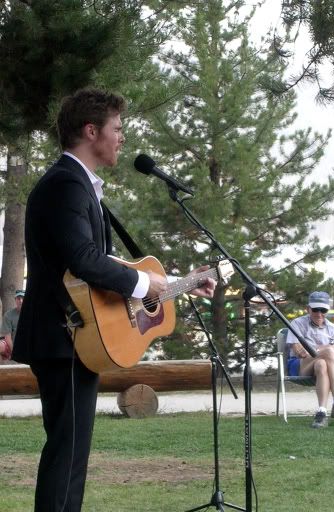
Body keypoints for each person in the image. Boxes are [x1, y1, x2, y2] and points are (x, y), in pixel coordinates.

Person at [12, 87, 216, 512]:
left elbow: (106, 267)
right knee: (66, 456)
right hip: (64, 337)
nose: (122, 138)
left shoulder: (80, 186)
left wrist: (180, 282)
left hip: (77, 338)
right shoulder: (66, 184)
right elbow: (85, 261)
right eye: (117, 129)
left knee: (72, 456)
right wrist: (146, 285)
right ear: (91, 131)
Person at [286, 291, 334, 428]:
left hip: (323, 367)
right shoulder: (297, 323)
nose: (319, 313)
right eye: (315, 309)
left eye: (323, 310)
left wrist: (319, 351)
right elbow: (299, 352)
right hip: (300, 366)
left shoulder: (333, 328)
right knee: (329, 352)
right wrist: (325, 349)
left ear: (327, 310)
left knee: (321, 364)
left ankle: (321, 412)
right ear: (308, 309)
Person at [0, 289, 25, 362]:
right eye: (18, 298)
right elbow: (7, 337)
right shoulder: (8, 315)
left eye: (23, 298)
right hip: (12, 345)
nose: (21, 300)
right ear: (15, 300)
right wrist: (14, 352)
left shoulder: (33, 314)